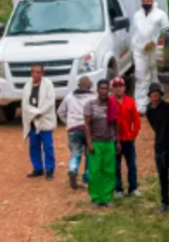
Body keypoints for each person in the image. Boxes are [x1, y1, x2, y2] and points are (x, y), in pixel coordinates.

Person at [146, 84, 169, 214]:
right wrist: (161, 137)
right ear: (149, 95)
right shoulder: (149, 111)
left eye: (157, 92)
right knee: (162, 176)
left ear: (161, 94)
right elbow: (155, 127)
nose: (154, 94)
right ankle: (165, 203)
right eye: (152, 92)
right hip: (159, 147)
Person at [131, 0, 169, 114]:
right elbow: (135, 32)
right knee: (140, 76)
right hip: (140, 50)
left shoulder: (160, 15)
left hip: (155, 50)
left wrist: (154, 41)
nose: (146, 3)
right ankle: (141, 106)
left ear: (152, 1)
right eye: (144, 1)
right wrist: (138, 46)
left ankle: (157, 104)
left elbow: (165, 30)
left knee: (155, 76)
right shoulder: (137, 15)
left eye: (148, 1)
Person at [83, 79, 120, 208]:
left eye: (106, 89)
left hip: (109, 141)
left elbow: (116, 124)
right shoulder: (90, 105)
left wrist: (118, 142)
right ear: (97, 90)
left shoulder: (112, 104)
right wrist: (89, 143)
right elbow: (87, 125)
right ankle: (96, 198)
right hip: (96, 142)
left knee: (109, 171)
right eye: (102, 88)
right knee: (94, 171)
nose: (104, 91)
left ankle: (107, 197)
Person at [57, 76, 96, 189]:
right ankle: (87, 177)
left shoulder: (69, 96)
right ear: (89, 85)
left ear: (79, 85)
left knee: (75, 153)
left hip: (73, 129)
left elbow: (60, 112)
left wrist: (69, 123)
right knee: (90, 153)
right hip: (89, 130)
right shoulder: (94, 97)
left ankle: (73, 170)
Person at [21, 65, 58, 180]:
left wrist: (40, 112)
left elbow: (50, 102)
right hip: (32, 120)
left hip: (44, 120)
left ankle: (49, 169)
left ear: (42, 73)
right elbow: (25, 103)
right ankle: (38, 168)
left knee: (48, 147)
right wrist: (33, 113)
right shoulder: (27, 85)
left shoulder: (48, 85)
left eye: (38, 72)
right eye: (33, 72)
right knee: (34, 146)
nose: (35, 74)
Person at [112, 77, 141, 197]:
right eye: (115, 86)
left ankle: (133, 188)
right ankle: (118, 189)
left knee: (132, 165)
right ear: (112, 89)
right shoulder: (109, 102)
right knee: (115, 166)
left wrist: (133, 135)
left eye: (120, 86)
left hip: (128, 139)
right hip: (114, 140)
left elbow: (136, 120)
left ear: (124, 87)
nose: (118, 88)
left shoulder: (130, 101)